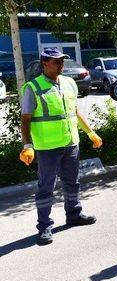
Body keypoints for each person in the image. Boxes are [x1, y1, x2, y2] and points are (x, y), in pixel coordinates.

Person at [19, 48, 103, 245]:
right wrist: (27, 145)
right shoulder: (33, 87)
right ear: (44, 63)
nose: (61, 65)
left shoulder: (68, 83)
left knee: (72, 182)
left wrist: (91, 133)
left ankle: (74, 214)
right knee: (46, 187)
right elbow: (25, 120)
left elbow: (74, 112)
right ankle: (44, 227)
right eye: (56, 61)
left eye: (62, 61)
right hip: (47, 147)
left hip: (70, 142)